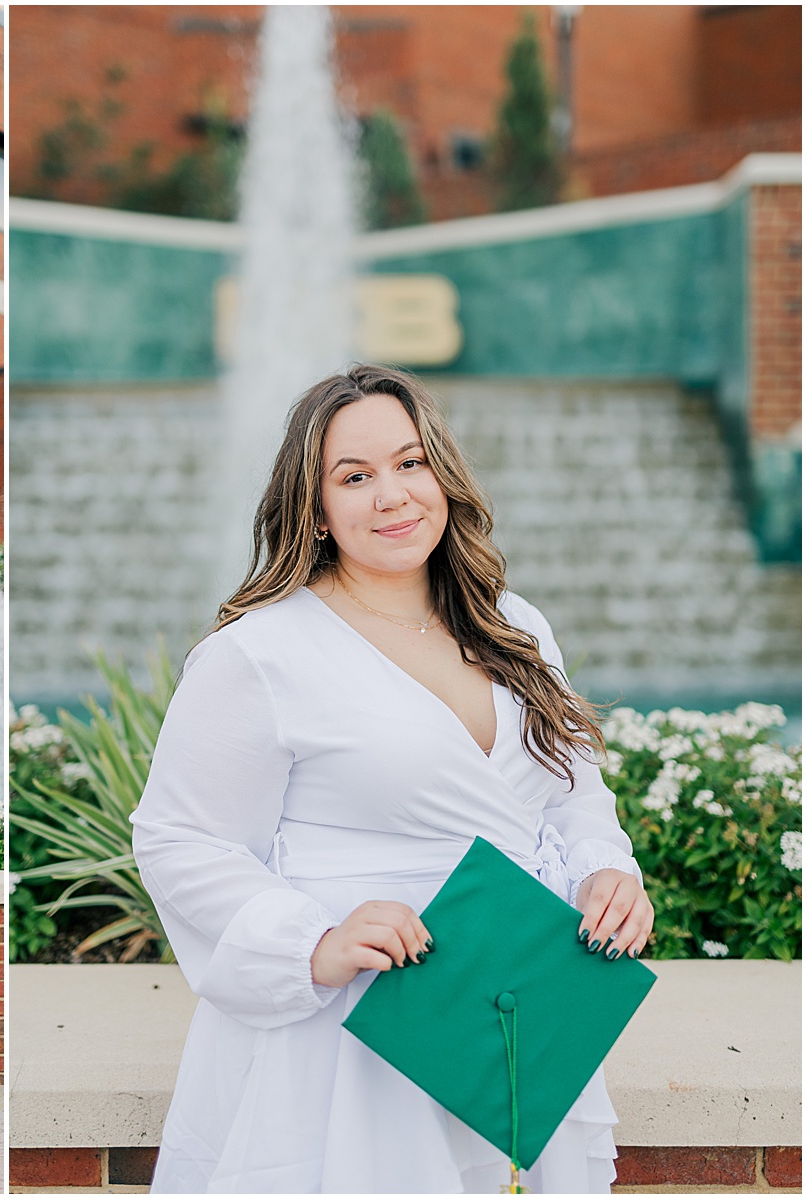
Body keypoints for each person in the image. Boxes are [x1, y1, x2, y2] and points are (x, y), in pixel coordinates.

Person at [131, 365, 654, 1193]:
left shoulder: (515, 624)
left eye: (411, 463)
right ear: (316, 508)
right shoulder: (259, 653)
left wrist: (606, 871)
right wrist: (314, 940)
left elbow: (571, 792)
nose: (393, 495)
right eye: (355, 475)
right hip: (360, 1027)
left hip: (516, 1001)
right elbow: (178, 837)